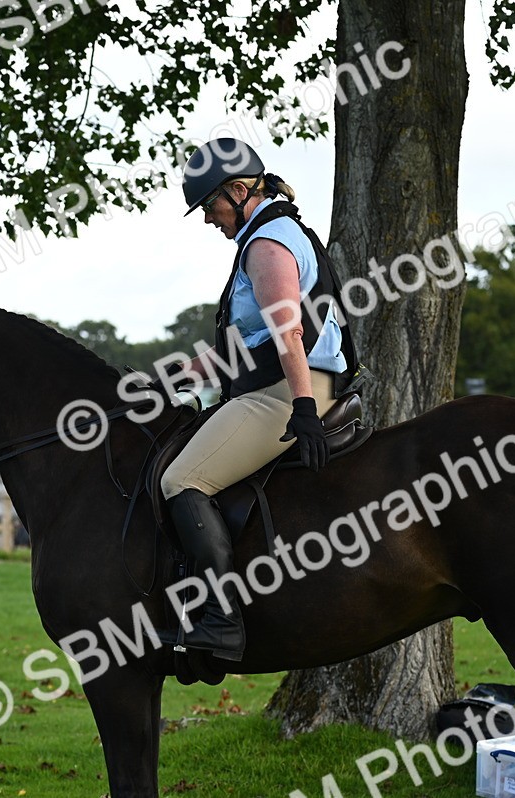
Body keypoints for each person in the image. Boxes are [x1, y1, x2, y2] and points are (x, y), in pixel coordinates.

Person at [156, 138, 358, 661]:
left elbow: (288, 333)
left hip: (288, 392)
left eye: (210, 206)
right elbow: (251, 344)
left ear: (240, 191)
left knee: (182, 479)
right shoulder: (271, 234)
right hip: (283, 383)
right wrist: (185, 373)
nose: (208, 219)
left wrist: (304, 408)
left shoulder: (267, 244)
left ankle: (221, 623)